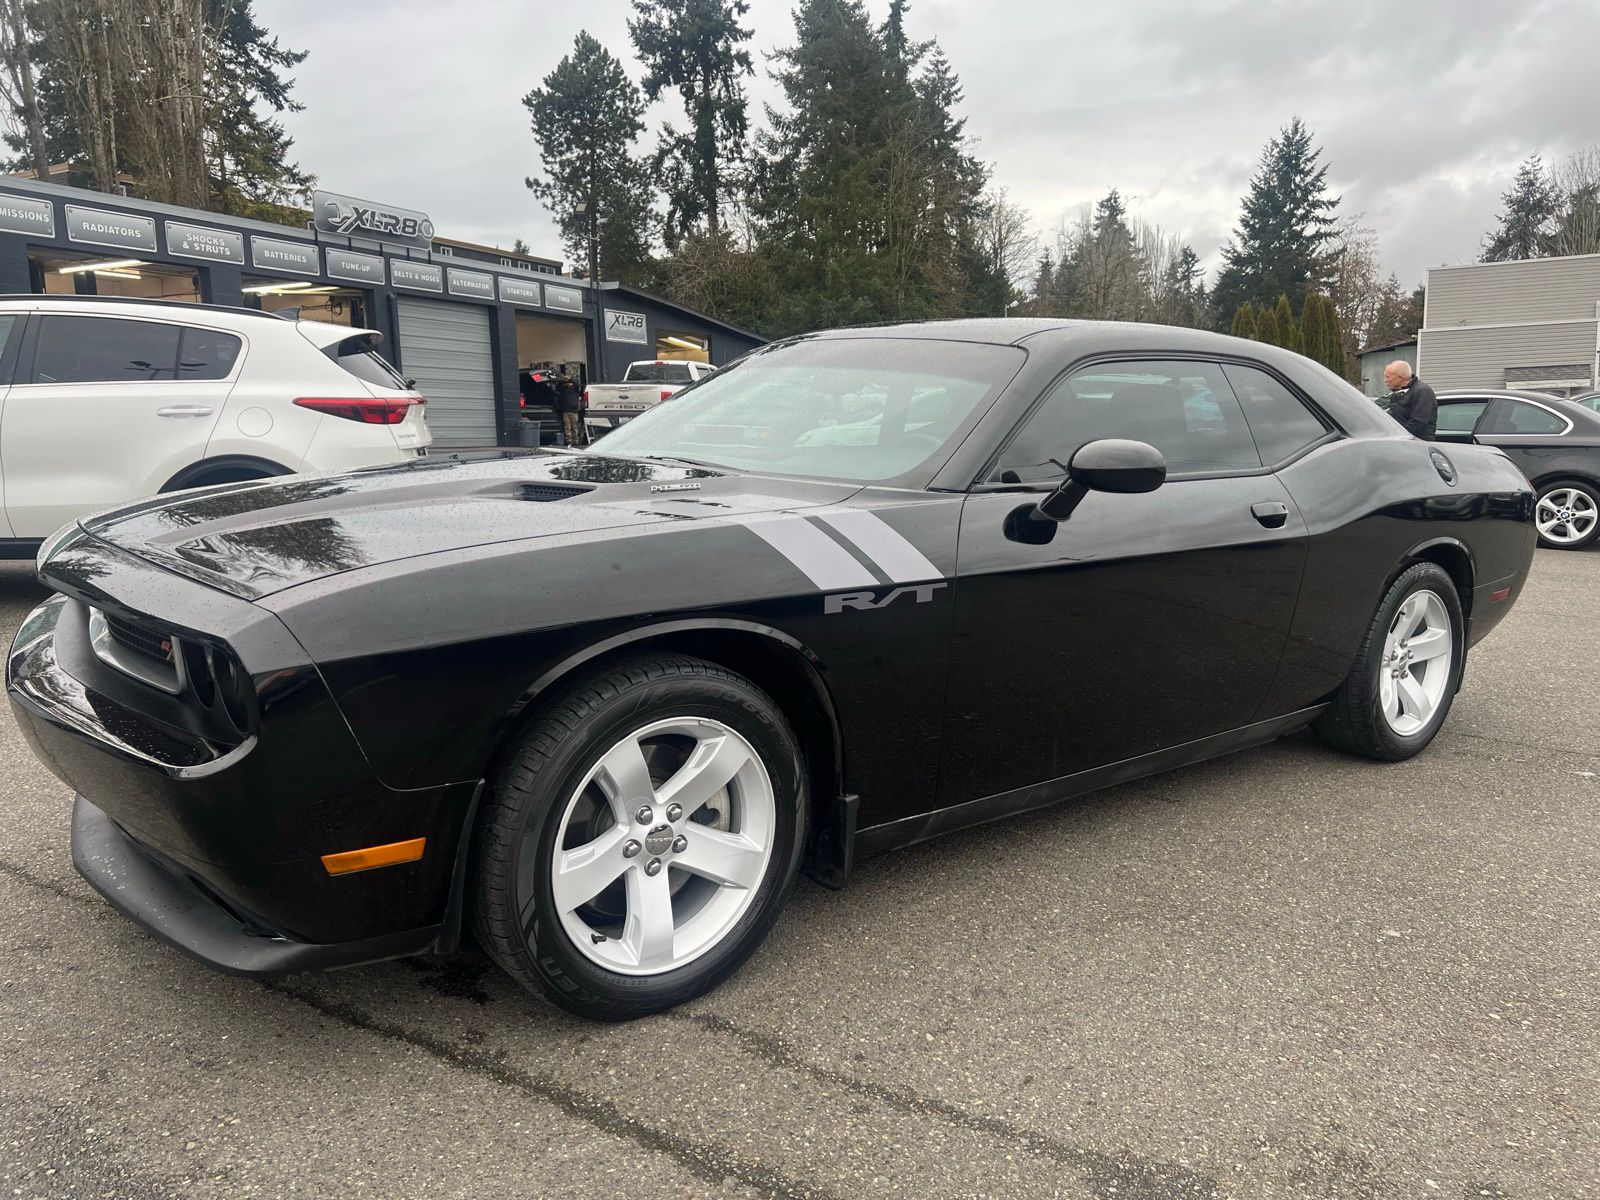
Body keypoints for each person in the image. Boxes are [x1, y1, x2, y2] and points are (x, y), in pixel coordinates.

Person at [1383, 361, 1437, 440]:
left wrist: (1400, 437)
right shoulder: (1399, 392)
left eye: (1387, 377)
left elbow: (1418, 422)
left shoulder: (1422, 391)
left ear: (1399, 378)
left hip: (1416, 444)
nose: (1385, 380)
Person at [554, 365, 584, 447]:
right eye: (567, 383)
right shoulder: (563, 389)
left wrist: (570, 379)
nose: (569, 384)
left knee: (575, 426)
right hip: (566, 411)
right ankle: (569, 440)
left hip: (574, 411)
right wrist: (563, 380)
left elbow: (577, 384)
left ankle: (576, 440)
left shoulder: (575, 388)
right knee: (567, 426)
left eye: (570, 383)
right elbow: (558, 387)